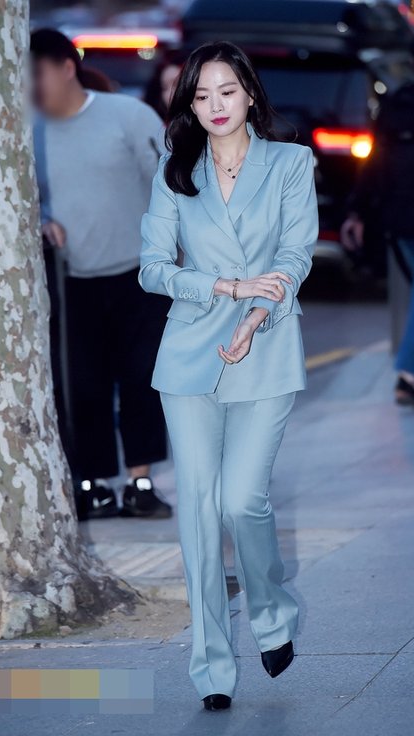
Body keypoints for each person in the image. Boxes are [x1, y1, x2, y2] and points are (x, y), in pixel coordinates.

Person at [139, 41, 318, 710]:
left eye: (227, 91)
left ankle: (271, 611)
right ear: (190, 104)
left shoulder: (291, 163)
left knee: (242, 501)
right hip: (189, 354)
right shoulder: (174, 170)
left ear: (250, 94)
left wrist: (254, 313)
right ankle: (212, 665)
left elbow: (296, 254)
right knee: (197, 511)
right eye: (201, 94)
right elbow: (153, 267)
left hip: (266, 349)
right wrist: (224, 287)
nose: (215, 105)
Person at [31, 28, 173, 521]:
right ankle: (92, 485)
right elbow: (25, 198)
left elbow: (169, 184)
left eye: (36, 73)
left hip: (138, 275)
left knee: (141, 380)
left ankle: (140, 483)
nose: (30, 85)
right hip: (72, 283)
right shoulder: (26, 132)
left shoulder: (127, 116)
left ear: (66, 68)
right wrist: (40, 220)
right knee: (82, 386)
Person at [341, 27, 414, 408]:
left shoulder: (395, 103)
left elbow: (374, 160)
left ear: (413, 62)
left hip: (397, 213)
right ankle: (407, 379)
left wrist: (358, 211)